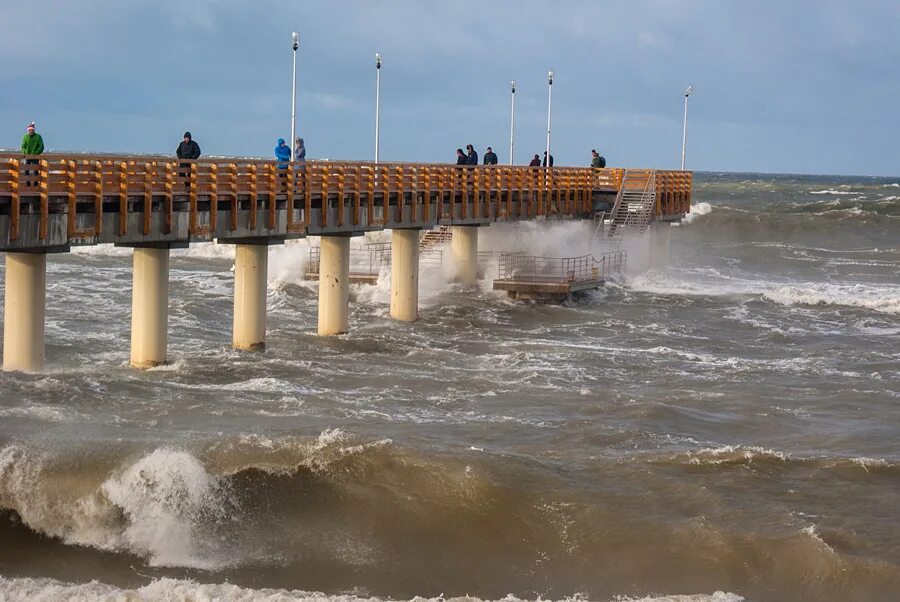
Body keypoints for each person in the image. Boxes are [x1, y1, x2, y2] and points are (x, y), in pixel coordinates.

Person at [21, 122, 44, 188]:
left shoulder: (38, 136)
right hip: (27, 156)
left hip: (35, 156)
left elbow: (41, 146)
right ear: (27, 130)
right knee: (26, 171)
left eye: (32, 130)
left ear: (34, 130)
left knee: (35, 171)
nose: (30, 131)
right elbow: (22, 146)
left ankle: (35, 185)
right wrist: (25, 152)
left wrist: (36, 153)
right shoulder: (25, 137)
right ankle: (28, 184)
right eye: (29, 130)